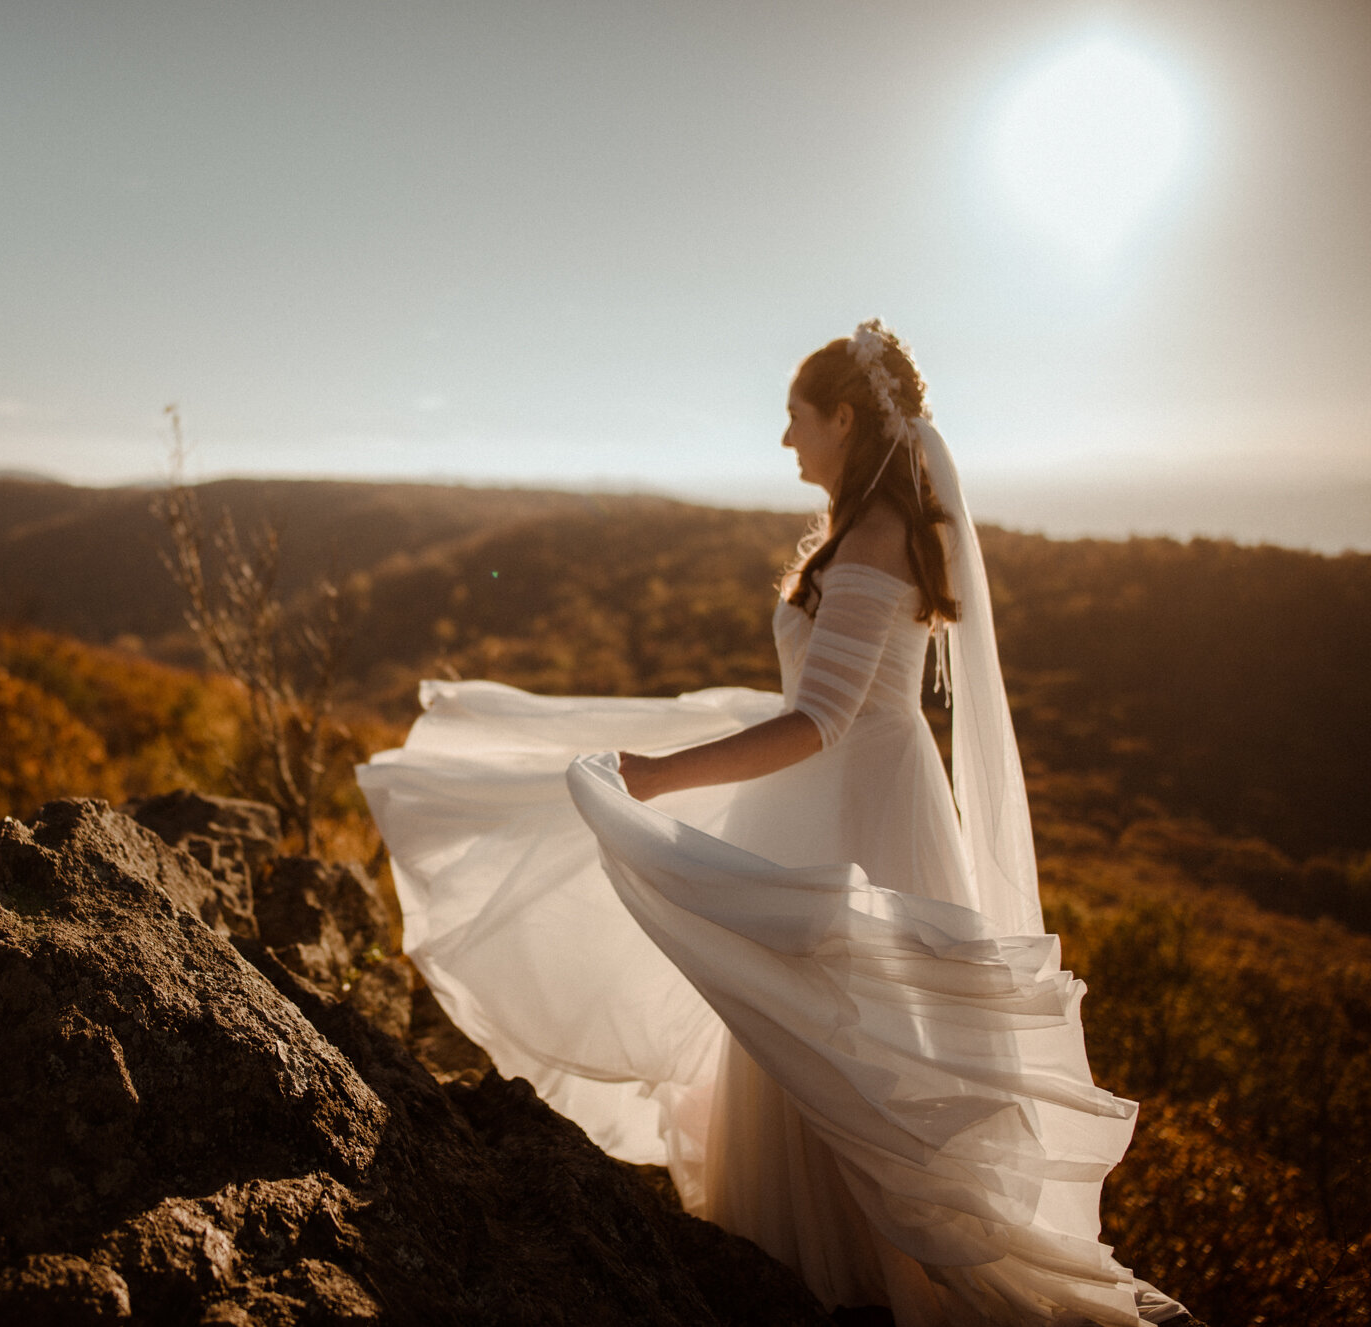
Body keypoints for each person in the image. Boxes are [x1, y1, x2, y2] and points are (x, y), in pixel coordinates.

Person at [357, 322, 1191, 1325]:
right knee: (812, 1035)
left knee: (844, 1043)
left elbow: (820, 720)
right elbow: (824, 697)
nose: (783, 442)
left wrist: (661, 776)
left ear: (843, 418)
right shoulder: (866, 530)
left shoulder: (876, 539)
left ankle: (861, 1281)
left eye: (794, 420)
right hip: (841, 795)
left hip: (857, 817)